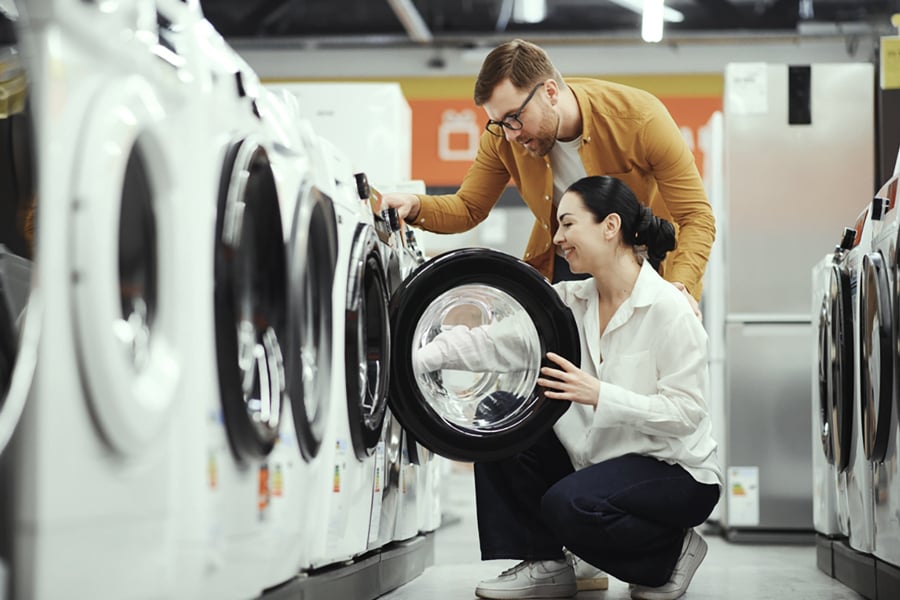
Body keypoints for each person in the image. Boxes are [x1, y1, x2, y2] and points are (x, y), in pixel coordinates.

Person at [415, 175, 722, 600]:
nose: (557, 238)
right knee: (496, 416)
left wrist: (599, 393)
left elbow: (687, 414)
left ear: (610, 226)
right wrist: (409, 358)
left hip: (674, 470)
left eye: (567, 224)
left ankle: (671, 553)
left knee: (569, 505)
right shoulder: (568, 303)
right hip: (598, 464)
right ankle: (546, 563)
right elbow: (491, 342)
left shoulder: (669, 310)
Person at [380, 38, 715, 309]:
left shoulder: (640, 119)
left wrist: (678, 287)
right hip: (569, 267)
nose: (510, 134)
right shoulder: (502, 138)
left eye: (514, 117)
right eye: (498, 122)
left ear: (550, 93)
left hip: (645, 267)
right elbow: (469, 207)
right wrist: (414, 206)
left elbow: (696, 216)